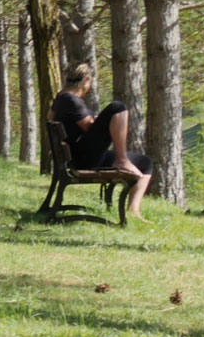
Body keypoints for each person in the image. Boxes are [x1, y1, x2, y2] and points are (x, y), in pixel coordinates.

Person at [52, 62, 153, 220]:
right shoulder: (72, 101)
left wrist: (97, 122)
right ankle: (122, 160)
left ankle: (133, 211)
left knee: (145, 163)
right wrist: (103, 122)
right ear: (86, 80)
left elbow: (55, 119)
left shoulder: (60, 99)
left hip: (76, 156)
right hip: (83, 159)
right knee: (118, 108)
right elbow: (88, 128)